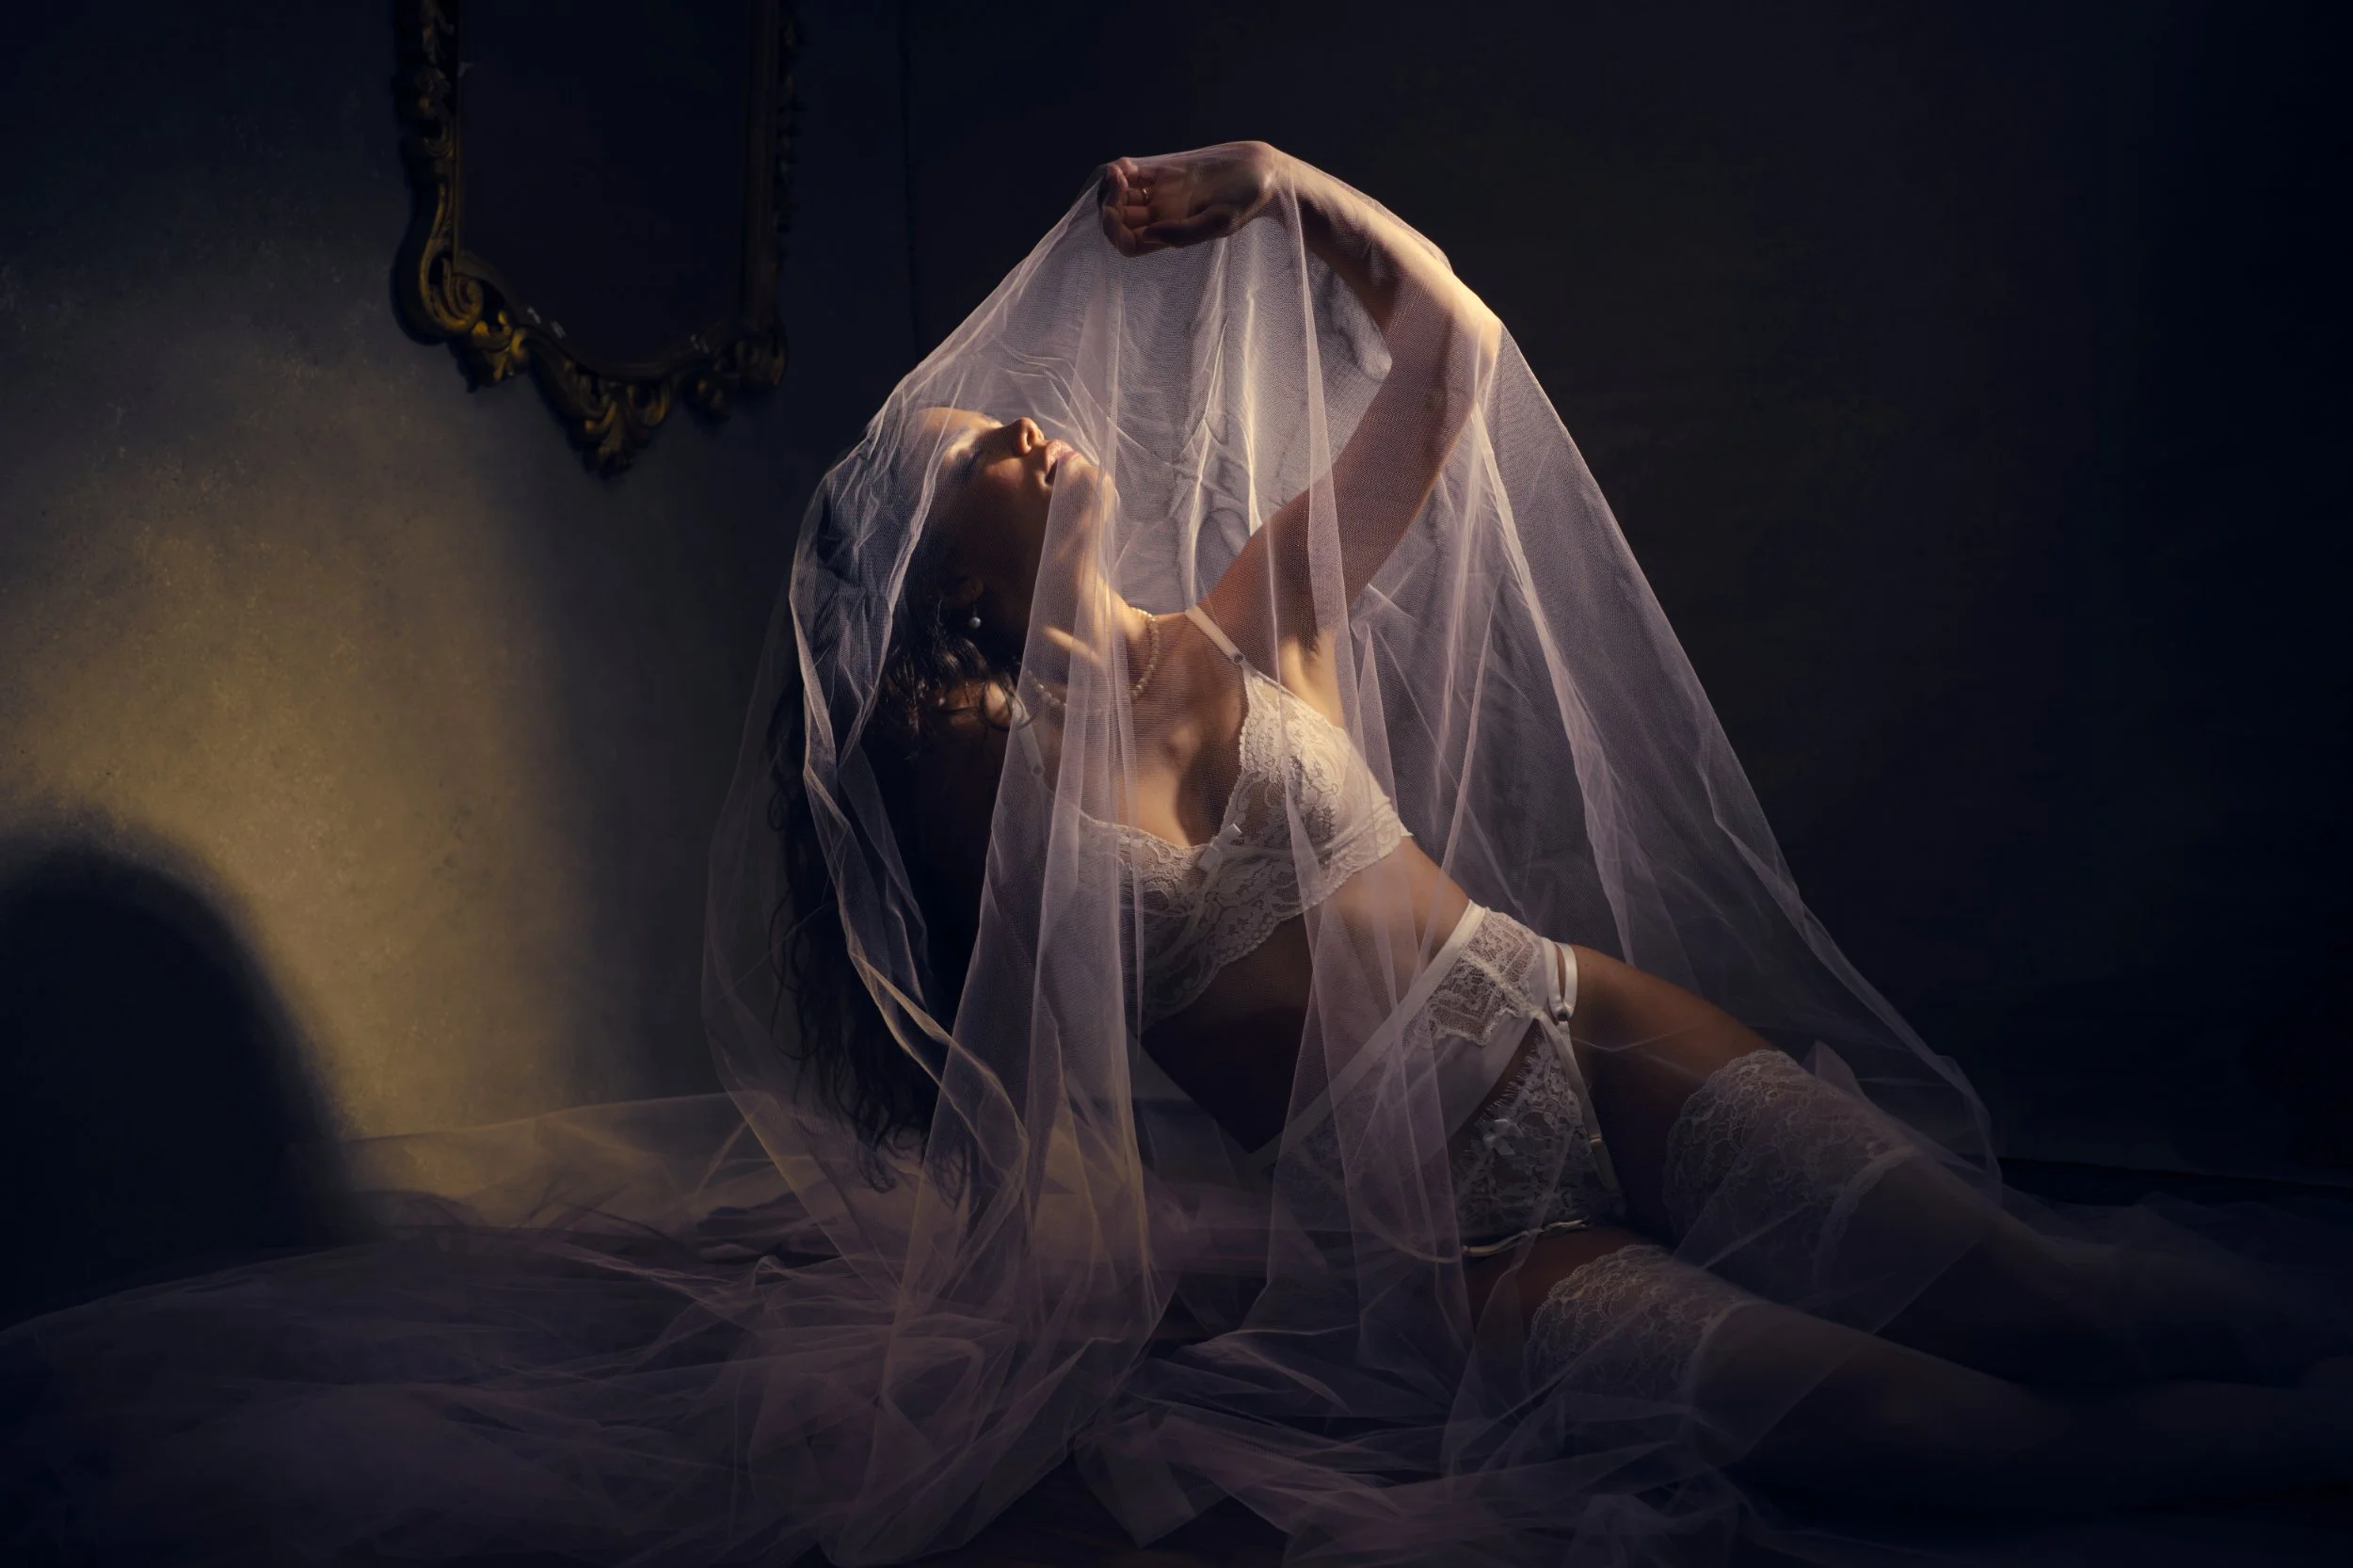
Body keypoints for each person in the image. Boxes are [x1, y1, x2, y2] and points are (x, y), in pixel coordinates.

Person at [6, 143, 2348, 1568]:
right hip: (1468, 1245)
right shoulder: (971, 771)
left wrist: (1285, 193)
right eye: (976, 445)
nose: (1028, 421)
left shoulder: (1237, 637)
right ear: (924, 582)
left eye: (1004, 419)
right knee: (1967, 1448)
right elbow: (944, 961)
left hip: (1587, 1032)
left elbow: (1450, 359)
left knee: (2063, 1306)